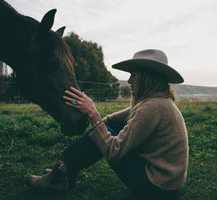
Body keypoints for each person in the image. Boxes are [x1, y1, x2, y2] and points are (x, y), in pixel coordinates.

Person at [28, 49, 188, 200]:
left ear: (147, 78)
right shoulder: (157, 102)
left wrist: (93, 114)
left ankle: (61, 175)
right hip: (166, 186)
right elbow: (110, 121)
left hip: (156, 189)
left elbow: (114, 151)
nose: (129, 80)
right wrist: (93, 116)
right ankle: (64, 172)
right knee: (107, 130)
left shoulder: (153, 107)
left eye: (134, 75)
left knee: (107, 133)